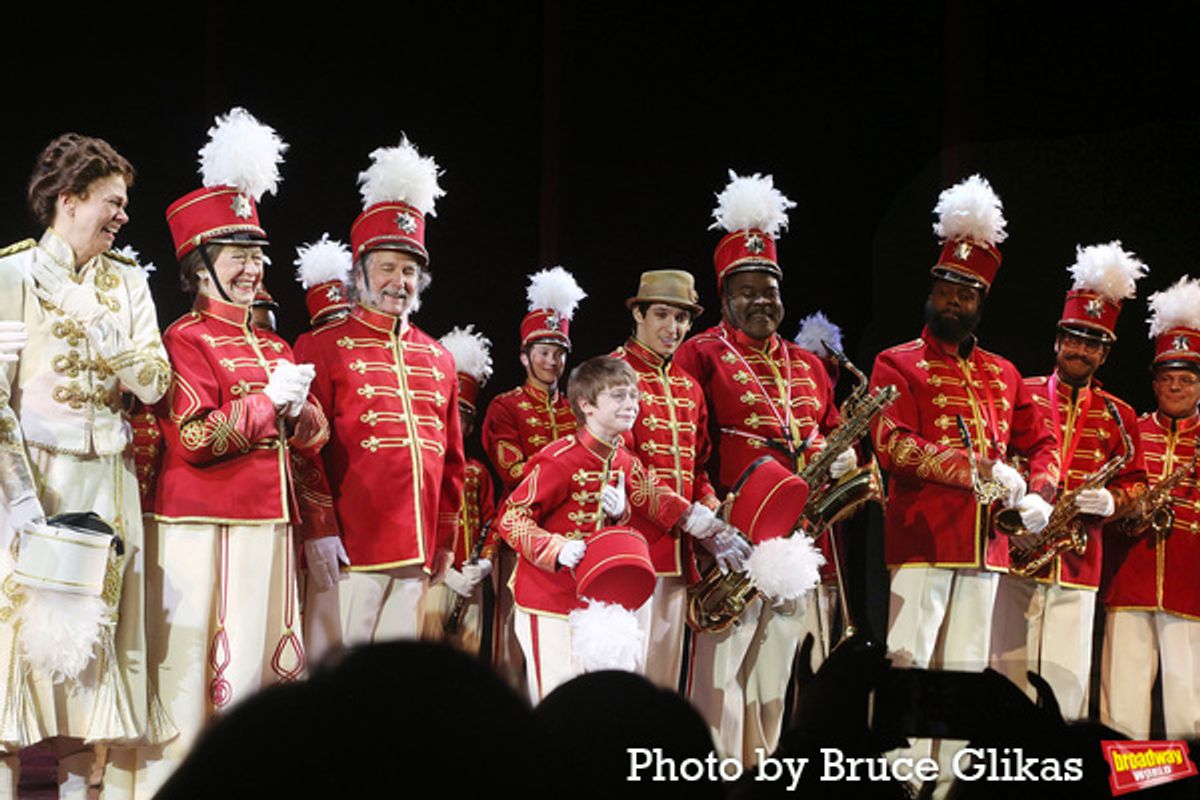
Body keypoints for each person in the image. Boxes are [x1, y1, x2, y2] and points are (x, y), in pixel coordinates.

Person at [121, 108, 331, 795]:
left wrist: (303, 416)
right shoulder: (184, 338)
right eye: (238, 254)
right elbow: (195, 437)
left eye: (257, 253)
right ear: (200, 264)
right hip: (202, 526)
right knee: (196, 674)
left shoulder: (273, 343)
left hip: (267, 524)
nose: (252, 267)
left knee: (262, 673)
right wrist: (270, 402)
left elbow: (306, 441)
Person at [867, 174, 1060, 795]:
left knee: (964, 671)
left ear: (982, 302)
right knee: (910, 661)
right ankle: (897, 781)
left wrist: (1038, 488)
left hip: (987, 547)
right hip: (923, 539)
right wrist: (975, 468)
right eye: (948, 288)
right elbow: (892, 445)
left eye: (968, 293)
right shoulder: (895, 362)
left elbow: (1042, 442)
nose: (955, 301)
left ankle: (946, 785)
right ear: (933, 290)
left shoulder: (1004, 372)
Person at [0, 133, 172, 799]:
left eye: (124, 204)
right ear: (69, 201)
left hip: (108, 480)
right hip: (31, 481)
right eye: (112, 201)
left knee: (95, 661)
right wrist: (18, 501)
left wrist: (100, 326)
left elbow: (154, 383)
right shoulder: (10, 276)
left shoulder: (126, 280)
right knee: (18, 651)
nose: (122, 215)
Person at [673, 170, 855, 765]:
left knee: (779, 682)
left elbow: (825, 428)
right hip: (734, 541)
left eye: (769, 290)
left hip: (802, 541)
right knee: (722, 684)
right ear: (724, 297)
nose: (760, 302)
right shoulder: (698, 352)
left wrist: (842, 450)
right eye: (746, 290)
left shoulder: (809, 363)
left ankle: (763, 775)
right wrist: (714, 518)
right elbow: (687, 447)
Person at [293, 136, 465, 652]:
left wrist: (445, 541)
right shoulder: (320, 345)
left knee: (396, 693)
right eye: (387, 267)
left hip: (416, 554)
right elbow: (305, 449)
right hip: (349, 550)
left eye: (410, 271)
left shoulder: (438, 356)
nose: (399, 281)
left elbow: (451, 458)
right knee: (336, 688)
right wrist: (319, 529)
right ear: (361, 272)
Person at [494, 356, 744, 703]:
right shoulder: (559, 458)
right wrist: (554, 547)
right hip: (548, 601)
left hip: (593, 603)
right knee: (556, 704)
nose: (631, 405)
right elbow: (510, 518)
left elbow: (654, 495)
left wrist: (698, 522)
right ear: (586, 405)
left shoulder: (620, 457)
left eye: (634, 396)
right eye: (619, 396)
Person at [990, 241, 1148, 722]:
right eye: (1074, 337)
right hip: (1016, 556)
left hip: (1079, 567)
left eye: (1093, 343)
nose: (1081, 349)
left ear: (1104, 353)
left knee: (1066, 689)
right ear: (1058, 341)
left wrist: (1112, 501)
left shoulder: (1120, 413)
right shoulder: (1021, 390)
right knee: (1002, 683)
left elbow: (1138, 485)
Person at [610, 269, 721, 692]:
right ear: (638, 314)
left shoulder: (689, 387)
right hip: (629, 547)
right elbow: (620, 461)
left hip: (677, 554)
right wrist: (684, 512)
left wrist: (710, 508)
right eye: (661, 315)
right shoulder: (614, 373)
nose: (672, 328)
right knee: (623, 677)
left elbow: (699, 465)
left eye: (681, 318)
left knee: (664, 680)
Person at [1101, 275, 1200, 739]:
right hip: (1129, 581)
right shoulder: (1131, 431)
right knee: (1121, 712)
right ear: (1155, 383)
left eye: (1186, 379)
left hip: (1192, 588)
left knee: (1190, 714)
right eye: (1167, 379)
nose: (1175, 388)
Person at [481, 266, 583, 690]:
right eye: (543, 352)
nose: (552, 361)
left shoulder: (579, 406)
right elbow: (515, 471)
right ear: (524, 356)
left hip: (575, 538)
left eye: (558, 353)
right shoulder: (505, 408)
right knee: (513, 639)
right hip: (521, 536)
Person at [428, 324, 497, 655]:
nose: (457, 425)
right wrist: (442, 574)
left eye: (464, 419)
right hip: (431, 579)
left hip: (470, 584)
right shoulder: (426, 466)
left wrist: (483, 564)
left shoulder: (478, 472)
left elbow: (492, 521)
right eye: (451, 415)